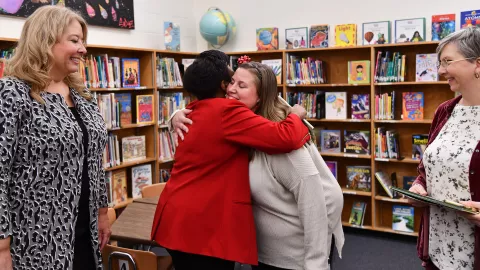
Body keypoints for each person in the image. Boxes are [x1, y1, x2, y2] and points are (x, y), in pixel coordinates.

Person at [172, 62, 344, 270]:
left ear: (260, 97)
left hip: (294, 253)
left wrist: (316, 263)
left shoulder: (278, 141)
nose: (231, 89)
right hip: (265, 248)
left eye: (242, 86)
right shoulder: (236, 125)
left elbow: (313, 201)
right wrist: (177, 115)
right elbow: (206, 110)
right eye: (232, 81)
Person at [150, 50, 310, 270]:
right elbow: (285, 137)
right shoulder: (228, 110)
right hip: (201, 224)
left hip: (176, 217)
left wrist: (174, 114)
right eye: (231, 81)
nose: (233, 87)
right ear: (223, 85)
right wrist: (295, 114)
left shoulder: (194, 109)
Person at [0, 6, 110, 270]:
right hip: (34, 241)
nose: (83, 49)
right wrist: (2, 247)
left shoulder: (83, 94)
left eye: (83, 41)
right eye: (74, 40)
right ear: (46, 40)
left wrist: (102, 212)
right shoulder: (13, 93)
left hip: (85, 234)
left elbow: (95, 159)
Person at [407, 27, 480, 270]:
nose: (440, 71)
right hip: (438, 247)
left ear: (477, 64)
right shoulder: (445, 111)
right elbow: (427, 168)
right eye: (440, 63)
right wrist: (420, 186)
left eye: (447, 62)